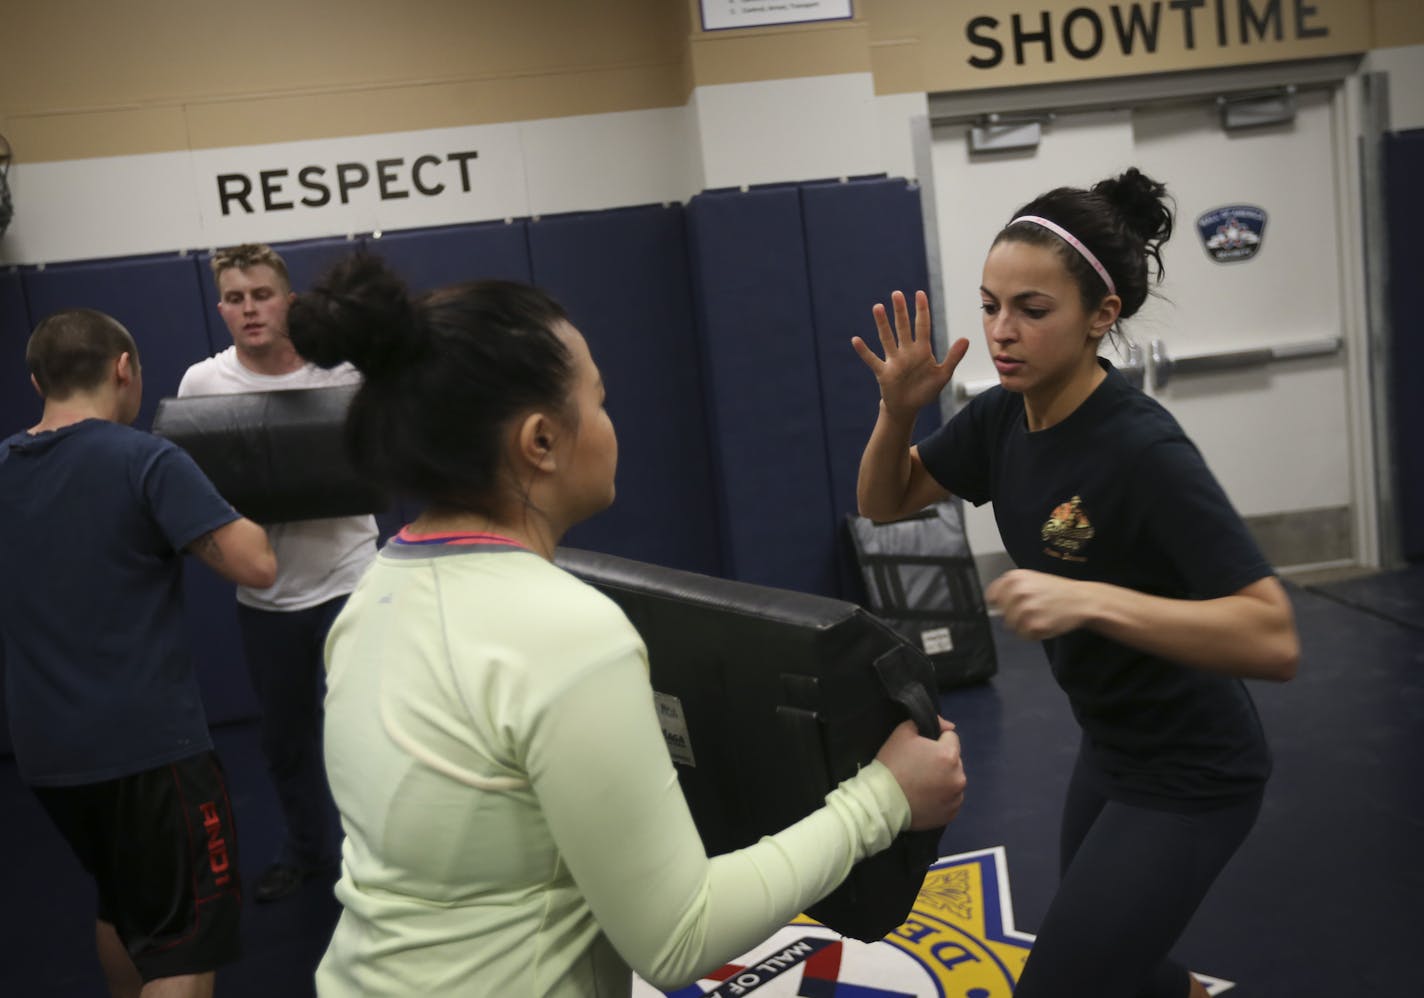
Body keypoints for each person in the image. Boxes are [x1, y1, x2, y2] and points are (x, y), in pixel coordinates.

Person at [282, 253, 968, 996]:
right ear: (540, 441)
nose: (611, 424)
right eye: (599, 401)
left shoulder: (376, 590)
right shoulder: (565, 631)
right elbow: (677, 938)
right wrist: (886, 797)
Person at [852, 168, 1300, 998]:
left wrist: (1087, 599)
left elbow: (1272, 637)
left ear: (1103, 316)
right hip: (1112, 747)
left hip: (1194, 771)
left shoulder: (1141, 450)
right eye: (989, 306)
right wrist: (898, 410)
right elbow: (883, 503)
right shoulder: (1002, 417)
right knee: (1115, 964)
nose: (1002, 333)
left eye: (1032, 309)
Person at [0, 309, 277, 997]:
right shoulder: (144, 458)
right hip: (150, 751)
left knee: (121, 904)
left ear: (38, 380)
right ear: (125, 368)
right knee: (181, 948)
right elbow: (257, 565)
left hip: (47, 755)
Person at [178, 243, 378, 902]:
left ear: (287, 301)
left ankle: (381, 853)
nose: (250, 309)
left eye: (261, 295)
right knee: (285, 739)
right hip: (267, 596)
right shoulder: (202, 385)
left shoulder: (344, 374)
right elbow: (196, 498)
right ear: (220, 309)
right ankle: (306, 851)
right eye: (235, 299)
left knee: (369, 730)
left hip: (352, 575)